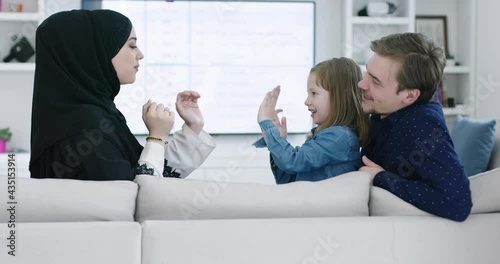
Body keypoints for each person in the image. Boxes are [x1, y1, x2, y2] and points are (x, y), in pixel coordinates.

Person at [29, 9, 216, 180]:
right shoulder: (84, 128)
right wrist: (157, 137)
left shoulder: (96, 115)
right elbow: (141, 198)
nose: (140, 54)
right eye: (132, 45)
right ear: (95, 51)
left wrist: (194, 126)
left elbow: (150, 171)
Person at [358, 32, 472, 221]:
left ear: (409, 96)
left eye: (375, 81)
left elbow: (456, 202)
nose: (361, 83)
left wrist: (380, 177)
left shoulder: (422, 125)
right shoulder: (385, 110)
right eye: (367, 73)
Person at [255, 57, 370, 184]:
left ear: (339, 97)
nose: (307, 101)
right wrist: (278, 139)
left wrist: (266, 125)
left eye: (314, 93)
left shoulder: (340, 137)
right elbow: (287, 182)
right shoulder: (329, 137)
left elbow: (291, 162)